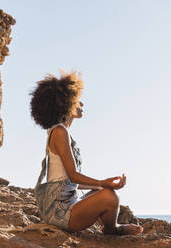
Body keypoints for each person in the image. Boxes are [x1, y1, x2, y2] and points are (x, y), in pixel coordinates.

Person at [30, 71, 143, 235]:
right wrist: (104, 183)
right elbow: (73, 175)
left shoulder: (60, 132)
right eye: (77, 100)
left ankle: (111, 225)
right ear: (65, 105)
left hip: (65, 204)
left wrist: (101, 185)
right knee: (109, 197)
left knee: (101, 190)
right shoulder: (60, 132)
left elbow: (69, 181)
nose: (81, 104)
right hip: (61, 213)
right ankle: (113, 229)